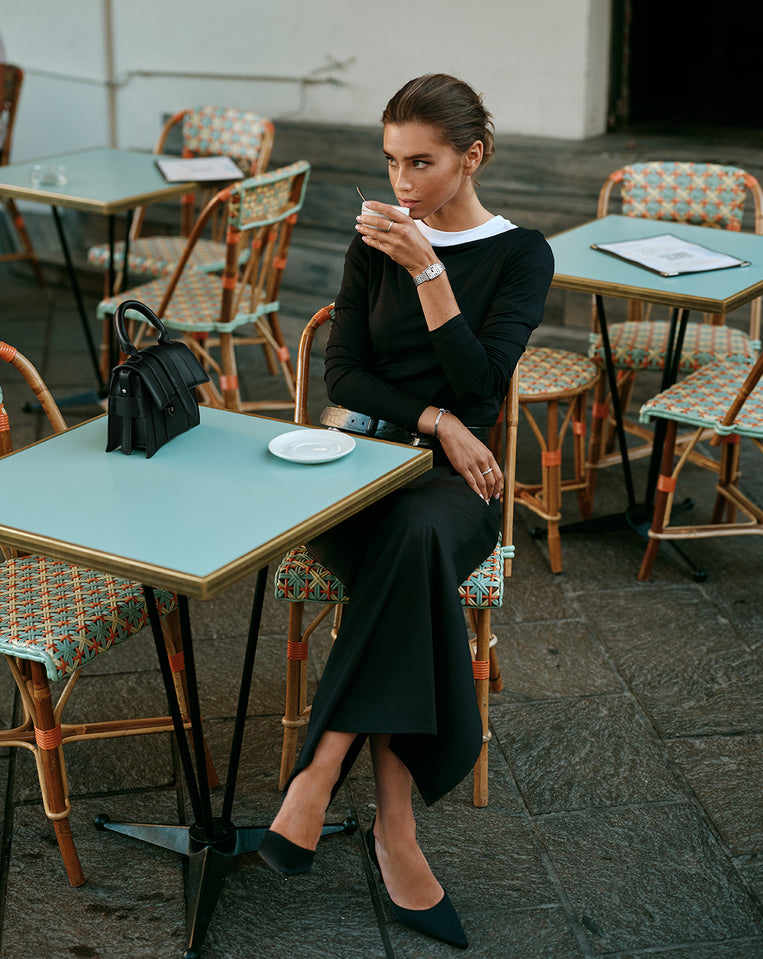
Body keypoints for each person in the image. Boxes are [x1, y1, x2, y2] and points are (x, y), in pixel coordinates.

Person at [259, 73, 554, 948]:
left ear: (472, 156)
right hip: (361, 464)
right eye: (390, 161)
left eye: (420, 162)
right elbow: (342, 375)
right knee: (410, 555)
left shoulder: (519, 254)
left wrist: (428, 270)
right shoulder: (372, 241)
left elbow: (481, 381)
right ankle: (394, 831)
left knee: (421, 535)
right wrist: (435, 421)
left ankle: (319, 773)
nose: (401, 184)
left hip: (449, 493)